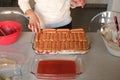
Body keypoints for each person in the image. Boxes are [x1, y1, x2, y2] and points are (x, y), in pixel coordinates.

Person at [18, 0, 85, 32]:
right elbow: (22, 2)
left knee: (64, 54)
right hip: (42, 25)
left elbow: (65, 2)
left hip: (65, 23)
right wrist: (32, 15)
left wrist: (74, 3)